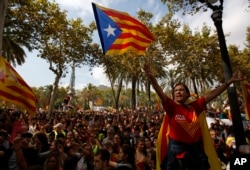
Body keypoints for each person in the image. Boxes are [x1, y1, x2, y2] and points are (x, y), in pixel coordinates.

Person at [143, 63, 244, 170]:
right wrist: (151, 78)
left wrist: (229, 82)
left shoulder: (195, 106)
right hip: (177, 151)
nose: (178, 92)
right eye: (176, 91)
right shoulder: (171, 107)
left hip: (196, 151)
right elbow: (160, 92)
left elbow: (212, 94)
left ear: (187, 94)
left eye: (181, 90)